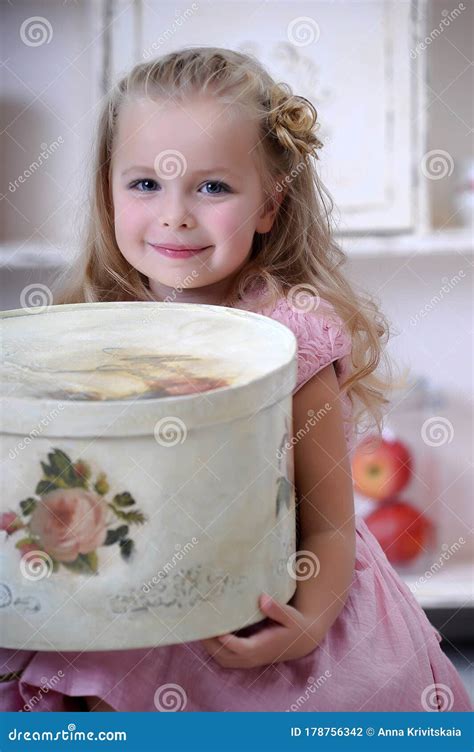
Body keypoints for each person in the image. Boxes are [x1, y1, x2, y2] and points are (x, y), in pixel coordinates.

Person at [1, 47, 470, 713]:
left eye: (213, 187)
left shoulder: (289, 335)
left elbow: (330, 528)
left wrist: (304, 623)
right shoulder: (89, 334)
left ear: (269, 205)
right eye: (144, 184)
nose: (175, 214)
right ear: (108, 190)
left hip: (263, 607)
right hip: (125, 611)